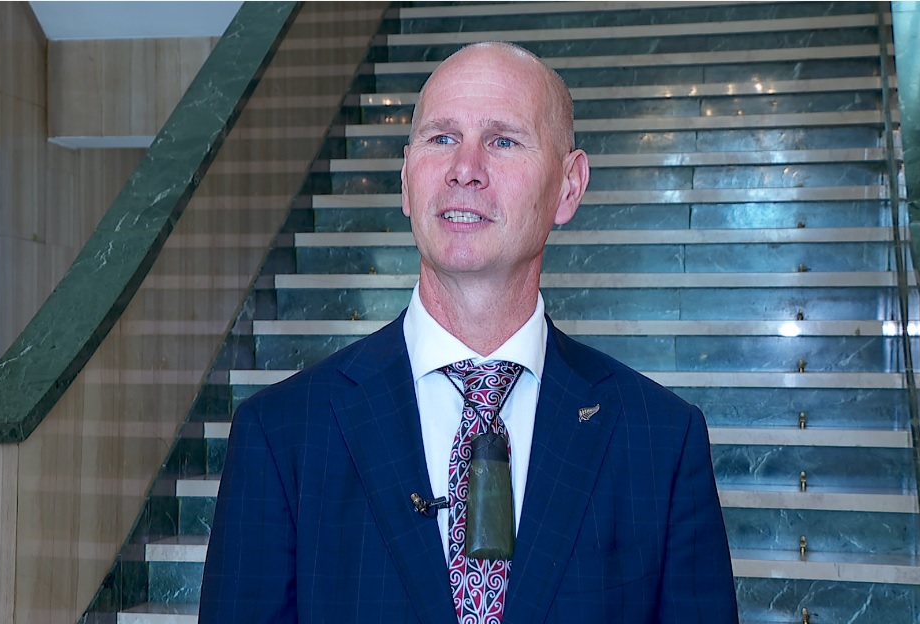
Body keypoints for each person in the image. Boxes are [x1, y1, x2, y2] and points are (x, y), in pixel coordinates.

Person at [201, 41, 737, 623]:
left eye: (502, 141)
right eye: (441, 138)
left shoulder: (661, 442)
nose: (465, 169)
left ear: (569, 186)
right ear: (406, 179)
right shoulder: (282, 437)